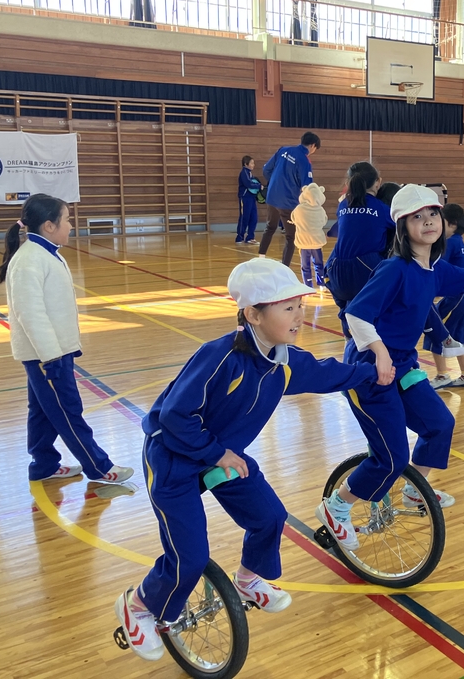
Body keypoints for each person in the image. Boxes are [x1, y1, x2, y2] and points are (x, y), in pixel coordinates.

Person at [115, 258, 378, 662]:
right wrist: (216, 453)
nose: (299, 315)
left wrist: (375, 371)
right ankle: (137, 606)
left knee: (270, 517)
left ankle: (248, 579)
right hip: (173, 459)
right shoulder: (218, 357)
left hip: (222, 456)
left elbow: (328, 373)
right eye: (288, 308)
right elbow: (174, 417)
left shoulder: (284, 361)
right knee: (190, 557)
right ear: (254, 315)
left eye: (301, 306)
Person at [316, 186, 464, 548]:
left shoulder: (433, 269)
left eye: (433, 214)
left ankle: (413, 490)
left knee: (440, 424)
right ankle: (336, 506)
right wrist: (380, 352)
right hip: (370, 369)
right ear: (402, 227)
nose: (428, 221)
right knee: (392, 457)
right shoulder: (395, 268)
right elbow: (356, 315)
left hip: (403, 365)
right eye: (417, 217)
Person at [0, 194, 133, 485]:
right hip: (47, 356)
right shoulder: (30, 260)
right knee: (69, 412)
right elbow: (30, 314)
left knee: (42, 412)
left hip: (51, 353)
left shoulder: (46, 253)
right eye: (67, 220)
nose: (71, 225)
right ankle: (99, 467)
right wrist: (52, 357)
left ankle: (44, 464)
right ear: (49, 225)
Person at [324, 162, 394, 338]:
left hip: (336, 271)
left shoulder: (343, 205)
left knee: (349, 308)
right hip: (365, 268)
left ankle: (349, 337)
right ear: (378, 182)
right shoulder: (381, 208)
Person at [427, 204, 464, 389]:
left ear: (452, 224)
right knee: (459, 337)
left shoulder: (450, 243)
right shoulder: (459, 241)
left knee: (435, 332)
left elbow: (437, 268)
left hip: (455, 296)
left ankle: (442, 375)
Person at [258, 131, 320, 266]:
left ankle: (260, 257)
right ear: (313, 146)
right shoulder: (304, 160)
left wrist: (275, 184)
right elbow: (307, 187)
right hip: (288, 202)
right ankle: (284, 267)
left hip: (272, 197)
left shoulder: (283, 150)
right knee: (291, 236)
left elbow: (266, 169)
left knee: (270, 227)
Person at [291, 182, 328, 288]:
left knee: (305, 265)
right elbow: (324, 221)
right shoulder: (320, 210)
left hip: (303, 242)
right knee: (319, 263)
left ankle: (308, 285)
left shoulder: (299, 209)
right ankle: (321, 284)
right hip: (316, 241)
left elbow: (293, 218)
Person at [235, 155, 262, 244]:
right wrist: (259, 186)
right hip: (245, 198)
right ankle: (239, 237)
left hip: (251, 197)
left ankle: (250, 237)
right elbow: (248, 184)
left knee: (254, 217)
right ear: (246, 164)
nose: (253, 165)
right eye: (252, 163)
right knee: (244, 217)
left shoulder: (250, 173)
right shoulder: (244, 173)